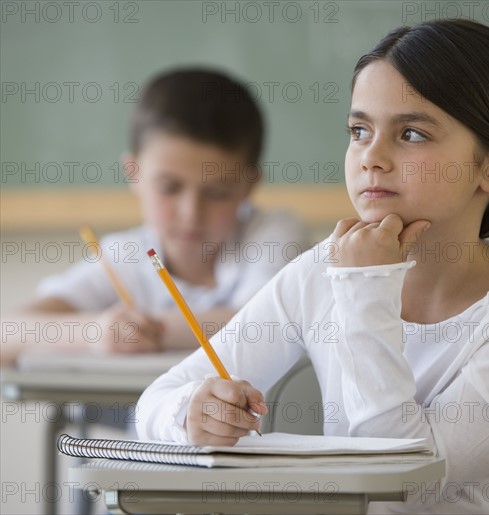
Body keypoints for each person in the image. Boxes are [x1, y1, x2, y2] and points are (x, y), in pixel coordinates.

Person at [135, 20, 489, 514]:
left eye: (412, 134)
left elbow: (402, 485)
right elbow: (154, 401)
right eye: (359, 131)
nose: (371, 157)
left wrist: (366, 284)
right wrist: (190, 415)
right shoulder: (319, 274)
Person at [0, 68, 308, 366]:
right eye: (169, 188)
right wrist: (95, 332)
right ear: (134, 174)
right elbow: (7, 333)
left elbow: (261, 326)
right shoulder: (124, 256)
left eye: (217, 193)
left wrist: (148, 331)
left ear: (249, 185)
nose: (190, 213)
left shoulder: (275, 233)